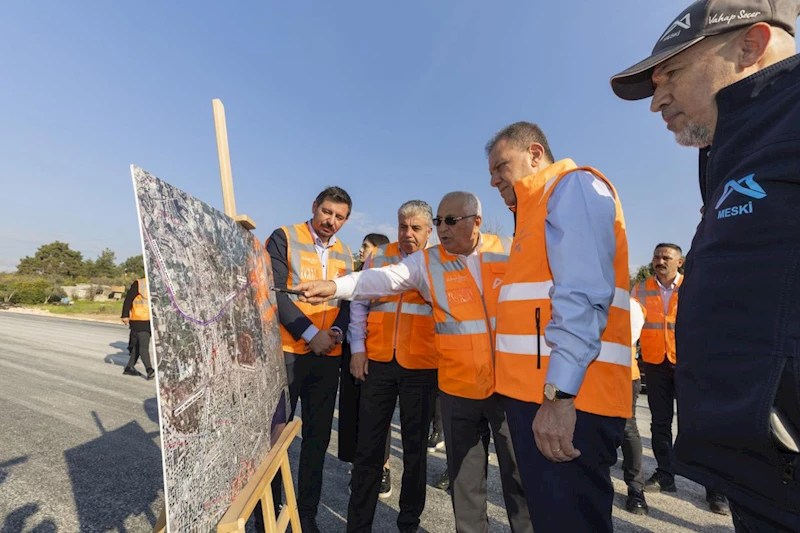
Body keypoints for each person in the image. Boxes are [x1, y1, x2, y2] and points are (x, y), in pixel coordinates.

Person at [611, 1, 800, 530]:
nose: (657, 100)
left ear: (750, 46)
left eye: (671, 73)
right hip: (761, 475)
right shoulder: (732, 151)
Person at [295, 191, 533, 533]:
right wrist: (334, 287)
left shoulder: (507, 250)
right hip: (427, 377)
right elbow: (378, 281)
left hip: (486, 379)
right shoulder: (423, 262)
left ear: (476, 222)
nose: (442, 228)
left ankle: (410, 523)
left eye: (448, 221)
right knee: (457, 484)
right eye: (439, 221)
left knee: (516, 477)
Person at [487, 122, 632, 533]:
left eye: (500, 167)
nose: (494, 180)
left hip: (568, 401)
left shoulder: (572, 187)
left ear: (535, 154)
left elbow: (581, 296)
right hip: (542, 398)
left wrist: (559, 396)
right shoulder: (533, 209)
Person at [264, 186, 354, 533]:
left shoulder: (346, 253)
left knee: (317, 440)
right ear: (315, 206)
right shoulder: (284, 237)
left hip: (327, 357)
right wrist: (310, 333)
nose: (331, 221)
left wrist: (336, 332)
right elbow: (273, 292)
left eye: (340, 217)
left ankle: (306, 515)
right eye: (327, 212)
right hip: (287, 353)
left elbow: (348, 300)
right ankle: (267, 516)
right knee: (275, 439)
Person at [346, 201, 439, 533]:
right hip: (378, 363)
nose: (407, 233)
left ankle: (408, 524)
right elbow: (359, 302)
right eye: (403, 226)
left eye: (416, 228)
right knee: (368, 450)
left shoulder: (440, 261)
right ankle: (358, 526)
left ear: (429, 230)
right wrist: (358, 349)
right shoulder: (379, 256)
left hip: (422, 366)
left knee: (415, 453)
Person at [632, 244, 728, 514]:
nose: (660, 261)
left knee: (698, 424)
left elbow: (710, 324)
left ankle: (714, 487)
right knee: (660, 423)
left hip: (689, 363)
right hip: (654, 363)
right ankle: (665, 474)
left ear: (680, 262)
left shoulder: (695, 287)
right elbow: (631, 324)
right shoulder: (640, 289)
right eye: (656, 256)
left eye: (666, 257)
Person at [338, 233, 391, 494]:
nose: (361, 250)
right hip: (352, 348)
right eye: (362, 246)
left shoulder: (386, 275)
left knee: (377, 414)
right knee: (353, 410)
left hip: (377, 352)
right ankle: (357, 467)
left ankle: (383, 467)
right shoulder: (355, 274)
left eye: (367, 247)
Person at [623, 297, 647, 515]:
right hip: (590, 378)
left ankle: (635, 488)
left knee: (627, 429)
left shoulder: (630, 306)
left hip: (624, 377)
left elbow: (625, 339)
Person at [121, 277, 154, 380]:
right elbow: (128, 299)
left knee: (138, 345)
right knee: (143, 346)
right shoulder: (140, 283)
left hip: (151, 320)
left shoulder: (158, 282)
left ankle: (129, 367)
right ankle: (149, 370)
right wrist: (125, 315)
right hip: (140, 319)